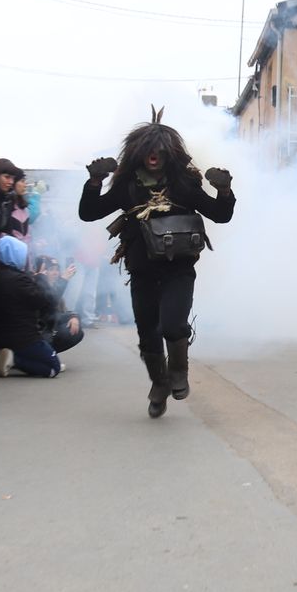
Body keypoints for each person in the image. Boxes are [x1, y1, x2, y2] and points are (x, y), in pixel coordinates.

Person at [79, 109, 236, 418]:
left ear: (168, 152)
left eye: (159, 149)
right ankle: (159, 383)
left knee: (174, 324)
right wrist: (94, 181)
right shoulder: (127, 186)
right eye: (147, 149)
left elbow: (221, 214)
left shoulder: (184, 184)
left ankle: (178, 371)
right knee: (147, 332)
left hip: (179, 269)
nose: (153, 154)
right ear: (138, 152)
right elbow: (89, 212)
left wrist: (225, 190)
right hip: (142, 271)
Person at [0, 236, 65, 378]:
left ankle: (10, 357)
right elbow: (43, 300)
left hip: (1, 337)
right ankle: (14, 360)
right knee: (54, 368)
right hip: (24, 339)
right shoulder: (19, 280)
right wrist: (41, 277)